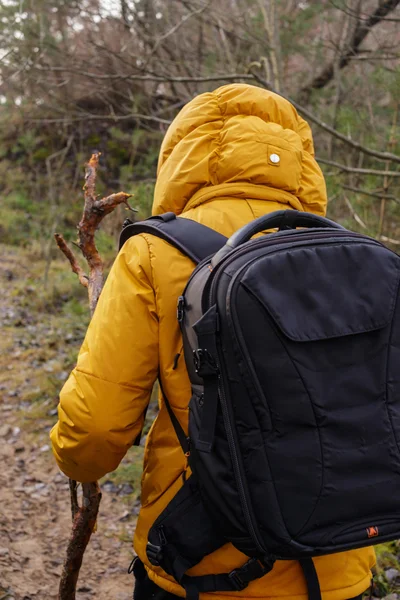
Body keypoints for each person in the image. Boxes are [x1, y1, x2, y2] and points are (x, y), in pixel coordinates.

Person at [51, 84, 375, 600]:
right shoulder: (355, 254)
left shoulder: (154, 253)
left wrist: (70, 457)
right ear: (299, 158)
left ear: (183, 156)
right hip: (340, 562)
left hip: (202, 567)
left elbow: (93, 433)